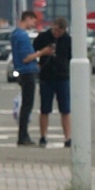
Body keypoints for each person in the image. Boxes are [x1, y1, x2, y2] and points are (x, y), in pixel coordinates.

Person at [32, 17, 72, 147]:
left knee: (65, 110)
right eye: (55, 30)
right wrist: (38, 62)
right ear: (52, 26)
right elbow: (33, 52)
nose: (56, 33)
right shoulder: (43, 37)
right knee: (45, 109)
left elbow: (71, 57)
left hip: (62, 77)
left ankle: (68, 137)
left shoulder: (67, 40)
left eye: (59, 31)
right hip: (46, 77)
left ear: (64, 30)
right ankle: (43, 136)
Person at [11, 11, 41, 146]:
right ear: (27, 19)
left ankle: (23, 135)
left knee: (26, 105)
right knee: (27, 105)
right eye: (33, 21)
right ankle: (23, 136)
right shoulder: (22, 36)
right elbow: (26, 57)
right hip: (27, 72)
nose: (34, 24)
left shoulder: (15, 34)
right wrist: (42, 52)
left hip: (22, 72)